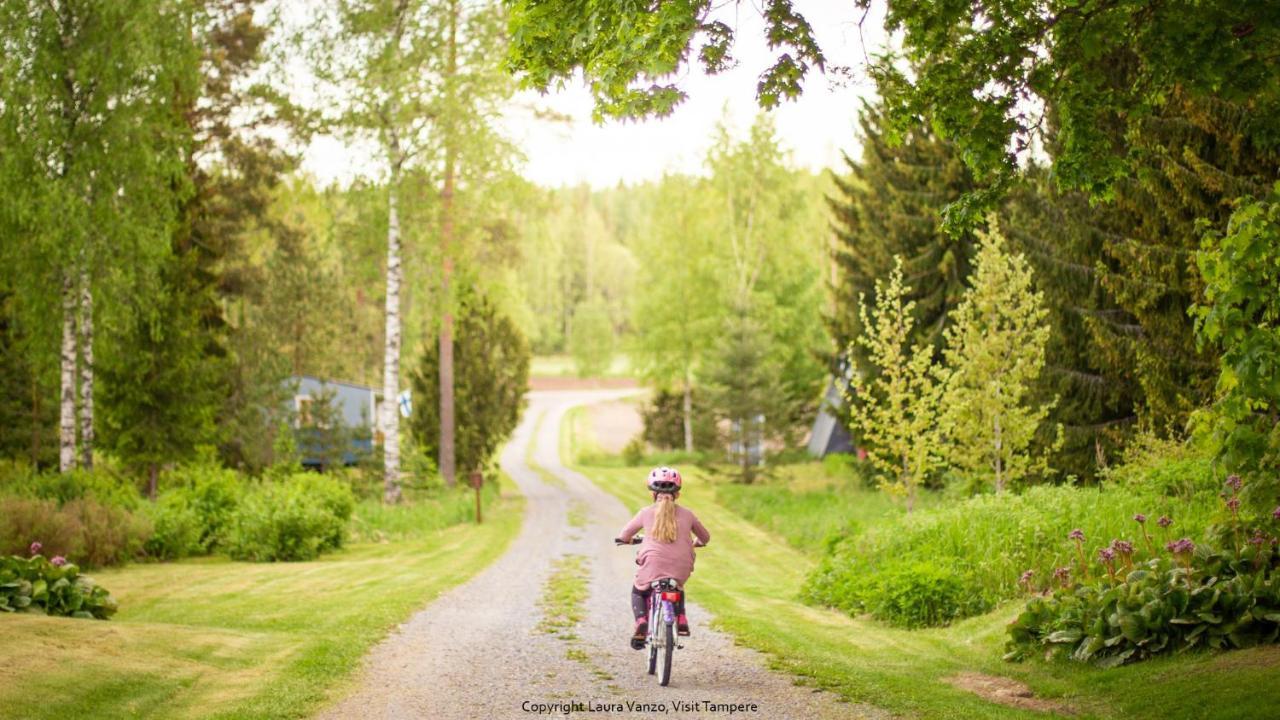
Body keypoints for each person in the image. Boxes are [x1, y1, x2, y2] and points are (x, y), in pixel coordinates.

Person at [615, 466, 710, 649]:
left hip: (653, 564)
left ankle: (641, 620)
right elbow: (705, 537)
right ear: (678, 495)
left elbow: (625, 534)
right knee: (676, 586)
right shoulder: (688, 514)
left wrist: (626, 540)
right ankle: (681, 617)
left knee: (638, 591)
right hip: (682, 566)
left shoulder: (646, 513)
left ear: (653, 494)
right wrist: (696, 542)